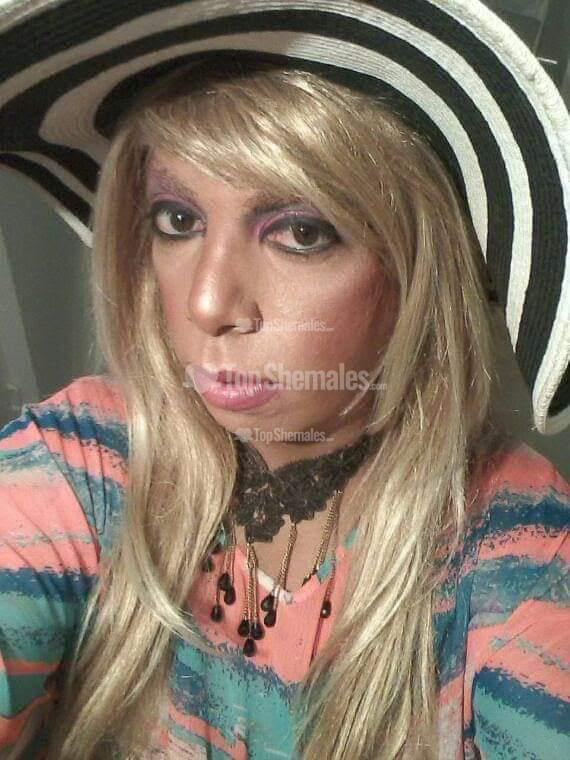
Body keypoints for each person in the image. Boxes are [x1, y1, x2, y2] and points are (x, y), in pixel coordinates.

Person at [0, 2, 568, 759]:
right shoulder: (86, 460)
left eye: (302, 232)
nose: (208, 303)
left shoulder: (515, 549)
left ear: (416, 273)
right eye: (177, 220)